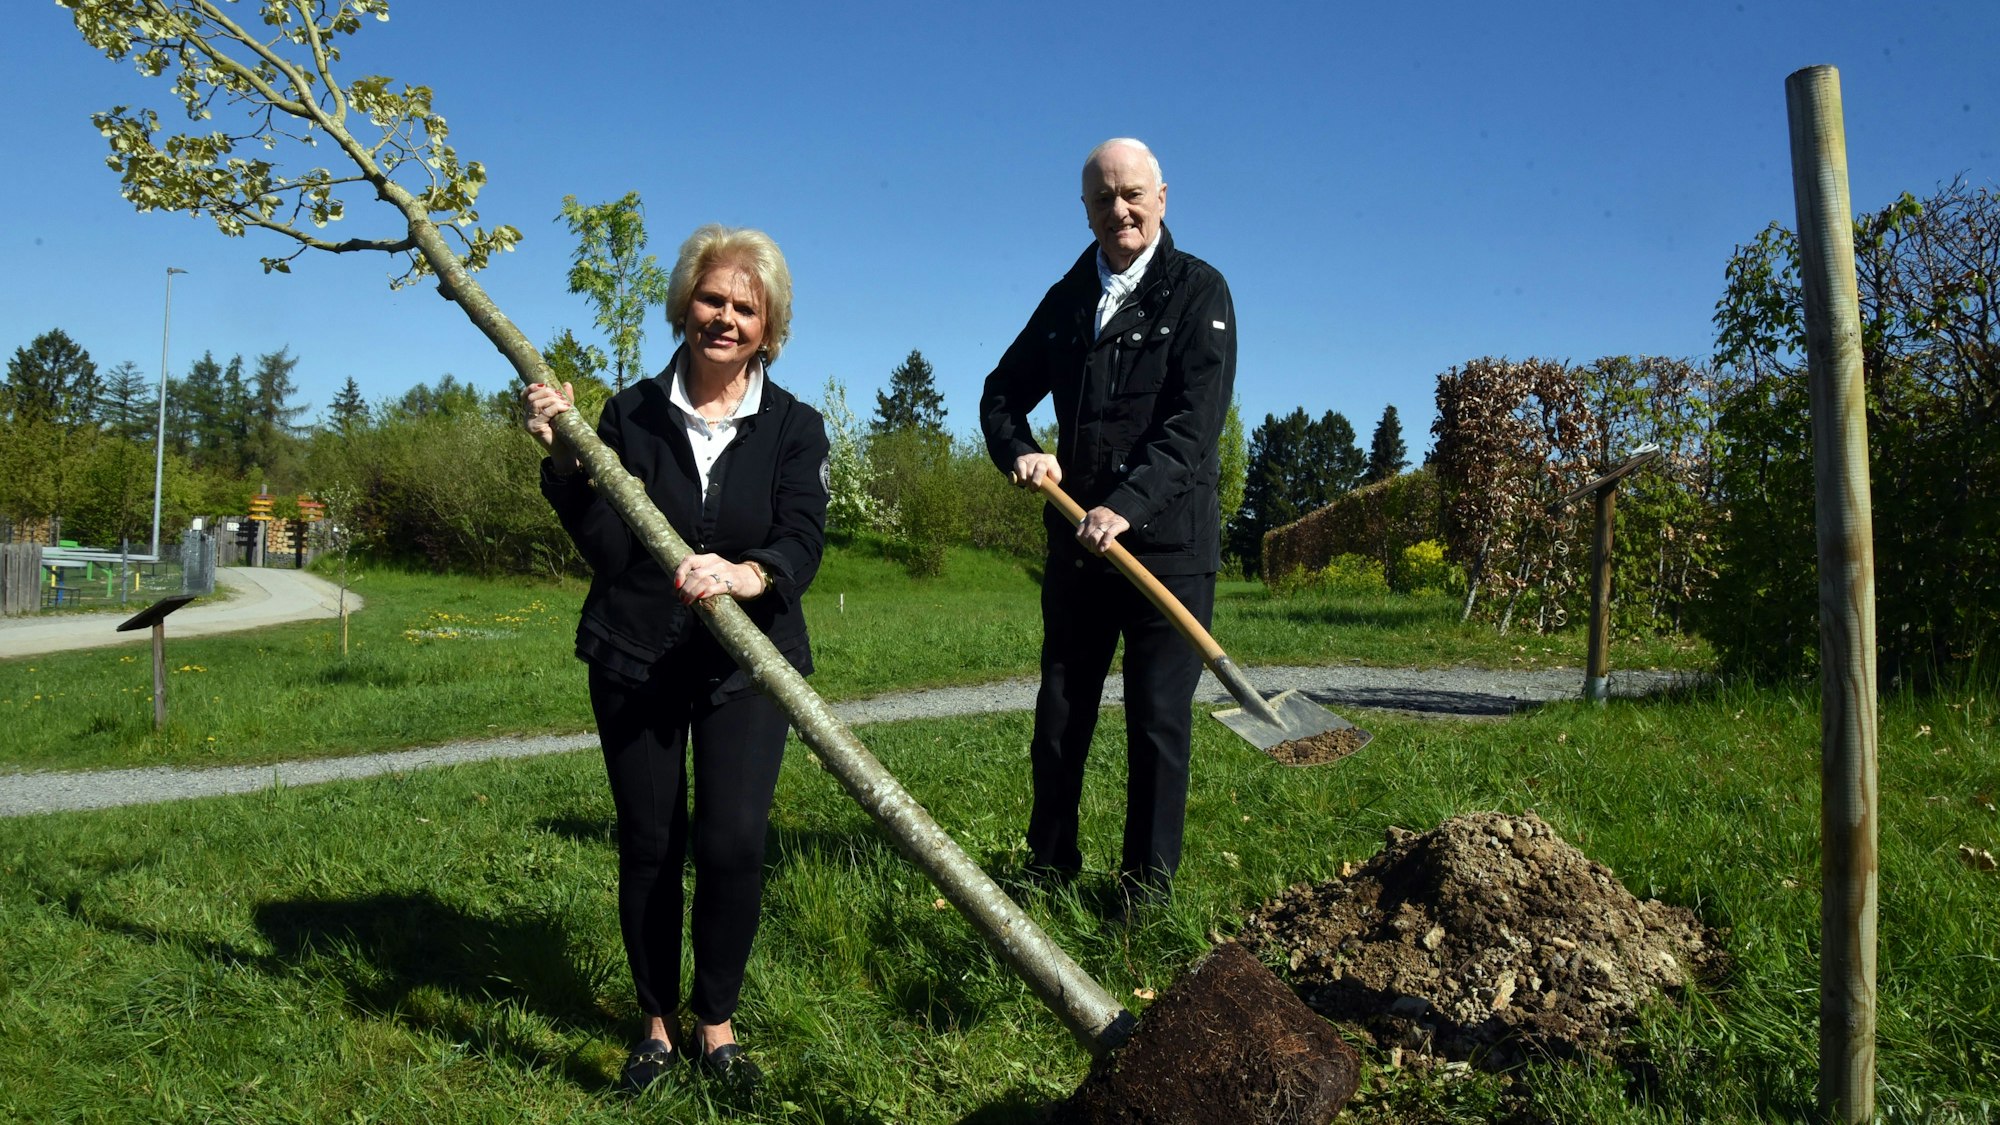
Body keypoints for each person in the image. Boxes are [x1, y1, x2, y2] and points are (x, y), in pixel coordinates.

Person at [522, 224, 829, 1094]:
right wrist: (567, 463)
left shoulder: (795, 427)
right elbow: (611, 549)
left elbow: (805, 535)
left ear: (768, 326)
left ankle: (716, 1023)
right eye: (710, 298)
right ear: (683, 306)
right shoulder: (628, 414)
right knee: (652, 842)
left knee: (732, 842)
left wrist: (751, 572)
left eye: (744, 306)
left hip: (748, 662)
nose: (724, 317)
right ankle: (655, 1023)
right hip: (634, 656)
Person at [979, 138, 1237, 913]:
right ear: (1085, 209)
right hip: (1080, 552)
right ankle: (1050, 867)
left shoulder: (1200, 292)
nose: (1118, 210)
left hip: (1169, 549)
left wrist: (1127, 504)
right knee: (1061, 714)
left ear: (1162, 197)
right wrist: (1021, 452)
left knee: (1158, 722)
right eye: (1102, 199)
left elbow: (1195, 427)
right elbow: (1000, 393)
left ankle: (1144, 894)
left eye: (1131, 194)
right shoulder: (1067, 299)